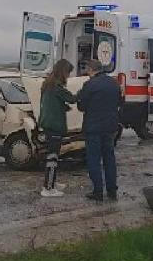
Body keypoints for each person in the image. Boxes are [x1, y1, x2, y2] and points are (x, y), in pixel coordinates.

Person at [77, 59, 122, 202]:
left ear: (91, 69)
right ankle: (112, 190)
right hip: (110, 127)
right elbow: (120, 102)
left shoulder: (89, 85)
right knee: (109, 158)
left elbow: (81, 106)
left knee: (94, 159)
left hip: (93, 128)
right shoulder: (114, 83)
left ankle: (98, 191)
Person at [38, 59, 77, 197]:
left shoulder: (47, 84)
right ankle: (48, 188)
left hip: (47, 123)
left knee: (53, 155)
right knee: (53, 157)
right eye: (68, 73)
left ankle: (52, 182)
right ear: (63, 72)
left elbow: (50, 103)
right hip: (54, 126)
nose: (69, 76)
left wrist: (62, 106)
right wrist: (84, 92)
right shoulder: (57, 87)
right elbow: (72, 98)